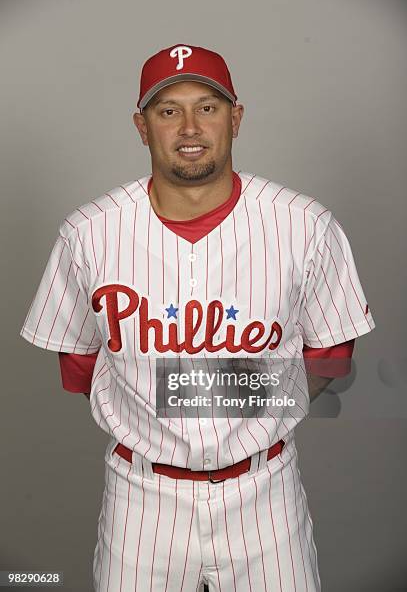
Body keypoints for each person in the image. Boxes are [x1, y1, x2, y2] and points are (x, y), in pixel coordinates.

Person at [20, 43, 375, 592]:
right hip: (141, 500)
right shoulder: (89, 232)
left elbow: (330, 362)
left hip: (265, 497)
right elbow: (78, 366)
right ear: (142, 126)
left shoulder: (305, 226)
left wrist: (193, 394)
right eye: (168, 110)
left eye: (207, 107)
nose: (190, 126)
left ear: (236, 118)